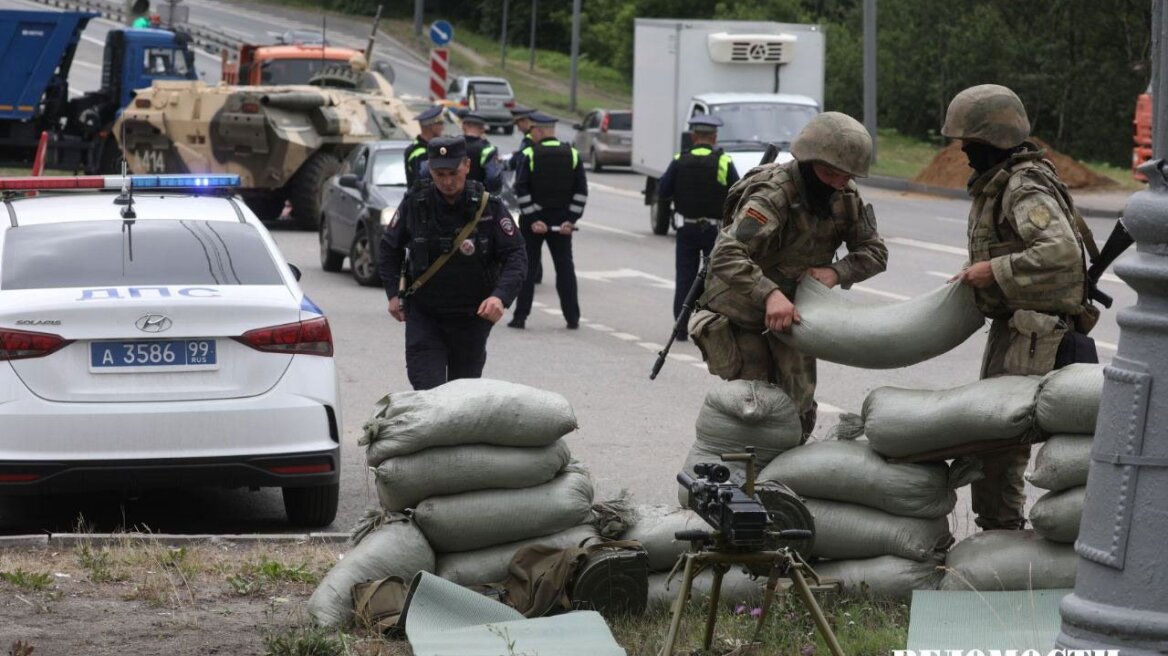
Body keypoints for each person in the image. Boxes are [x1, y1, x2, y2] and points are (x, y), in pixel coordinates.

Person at [942, 84, 1091, 531]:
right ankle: (1001, 530)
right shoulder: (1006, 181)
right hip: (1020, 329)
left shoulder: (1022, 186)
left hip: (1034, 335)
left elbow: (1060, 251)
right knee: (996, 437)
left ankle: (1002, 530)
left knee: (1001, 439)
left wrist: (994, 270)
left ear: (994, 140)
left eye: (971, 142)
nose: (965, 151)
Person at [691, 111, 888, 440]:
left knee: (799, 405)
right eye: (829, 173)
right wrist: (769, 294)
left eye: (846, 176)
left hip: (795, 314)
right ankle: (743, 480)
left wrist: (835, 272)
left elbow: (875, 253)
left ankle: (783, 477)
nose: (838, 183)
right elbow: (726, 254)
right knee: (755, 405)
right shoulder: (772, 195)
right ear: (808, 162)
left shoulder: (845, 197)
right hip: (744, 311)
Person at [377, 136, 527, 390]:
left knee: (461, 399)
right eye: (439, 173)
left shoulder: (488, 207)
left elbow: (516, 255)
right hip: (426, 316)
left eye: (453, 173)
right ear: (430, 169)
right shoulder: (416, 203)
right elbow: (389, 248)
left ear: (467, 166)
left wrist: (500, 297)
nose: (447, 181)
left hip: (471, 319)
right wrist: (393, 294)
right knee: (429, 393)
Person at [656, 114, 740, 341]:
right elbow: (738, 193)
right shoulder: (723, 161)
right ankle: (708, 328)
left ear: (693, 136)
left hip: (686, 230)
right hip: (713, 231)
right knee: (713, 279)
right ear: (714, 137)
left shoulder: (679, 160)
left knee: (685, 278)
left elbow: (662, 192)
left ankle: (681, 329)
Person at [508, 112, 587, 330]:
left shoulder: (530, 154)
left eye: (532, 130)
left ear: (540, 131)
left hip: (534, 224)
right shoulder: (572, 154)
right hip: (562, 224)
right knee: (565, 270)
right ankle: (572, 318)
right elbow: (580, 192)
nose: (531, 134)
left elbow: (521, 190)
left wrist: (534, 219)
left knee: (528, 270)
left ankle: (520, 317)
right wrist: (570, 220)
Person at [453, 111, 504, 193]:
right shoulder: (488, 149)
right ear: (483, 129)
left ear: (463, 126)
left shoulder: (453, 144)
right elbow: (493, 178)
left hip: (452, 195)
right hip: (477, 197)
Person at [405, 106, 446, 189]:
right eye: (441, 123)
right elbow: (423, 182)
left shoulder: (431, 148)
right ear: (433, 127)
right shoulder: (419, 153)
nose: (443, 127)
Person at [508, 106, 536, 171]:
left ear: (526, 121)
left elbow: (518, 160)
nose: (518, 129)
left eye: (519, 125)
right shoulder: (532, 137)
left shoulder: (529, 139)